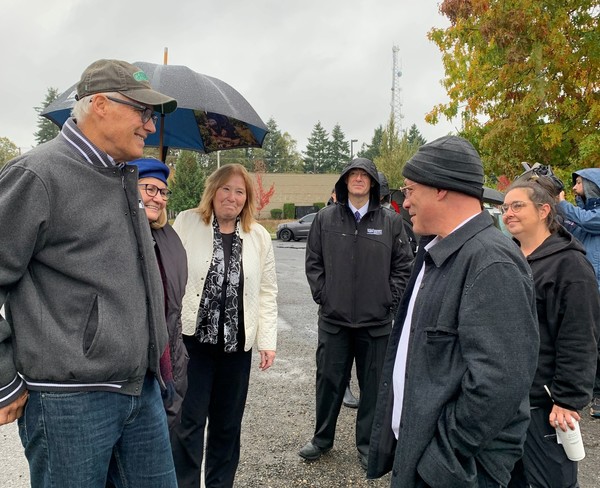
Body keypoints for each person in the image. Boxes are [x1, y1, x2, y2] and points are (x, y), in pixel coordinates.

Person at [0, 59, 179, 487]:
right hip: (69, 403)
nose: (149, 126)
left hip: (141, 391)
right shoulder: (38, 175)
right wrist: (4, 378)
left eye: (151, 116)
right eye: (142, 112)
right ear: (99, 104)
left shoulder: (124, 177)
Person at [368, 135, 540, 487]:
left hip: (453, 471)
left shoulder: (491, 262)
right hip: (422, 456)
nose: (406, 200)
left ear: (442, 188)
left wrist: (440, 457)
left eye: (411, 189)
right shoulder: (434, 249)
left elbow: (498, 385)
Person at [300, 158, 413, 470]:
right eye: (353, 175)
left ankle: (367, 445)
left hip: (376, 325)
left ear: (373, 184)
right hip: (334, 322)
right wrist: (323, 295)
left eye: (365, 175)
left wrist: (388, 300)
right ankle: (322, 439)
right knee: (328, 383)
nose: (359, 179)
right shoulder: (324, 219)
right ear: (344, 182)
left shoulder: (390, 222)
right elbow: (314, 262)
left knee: (374, 389)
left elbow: (403, 266)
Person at [170, 163, 278, 488]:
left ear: (247, 199)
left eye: (239, 191)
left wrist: (267, 341)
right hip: (193, 347)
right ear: (213, 191)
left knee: (227, 427)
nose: (231, 197)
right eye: (226, 189)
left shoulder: (258, 236)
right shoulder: (188, 222)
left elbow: (267, 291)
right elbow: (169, 273)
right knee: (187, 424)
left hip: (235, 350)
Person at [502, 179, 600, 487]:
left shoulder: (570, 265)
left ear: (545, 210)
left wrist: (567, 399)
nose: (508, 214)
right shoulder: (508, 257)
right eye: (505, 208)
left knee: (551, 482)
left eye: (517, 206)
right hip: (505, 402)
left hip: (545, 406)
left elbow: (580, 338)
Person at [130, 157, 189, 427]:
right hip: (131, 368)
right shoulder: (119, 233)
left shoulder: (169, 236)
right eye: (149, 189)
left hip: (168, 360)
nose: (158, 198)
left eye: (162, 191)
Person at [558, 169, 600, 417]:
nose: (574, 188)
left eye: (579, 183)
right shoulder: (580, 215)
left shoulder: (591, 217)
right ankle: (588, 393)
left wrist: (561, 203)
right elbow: (568, 229)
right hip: (584, 287)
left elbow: (586, 221)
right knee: (585, 341)